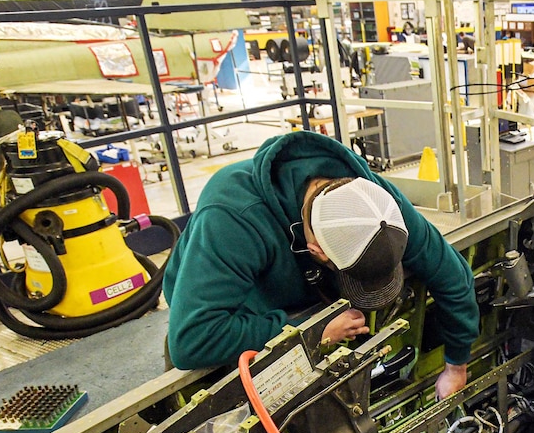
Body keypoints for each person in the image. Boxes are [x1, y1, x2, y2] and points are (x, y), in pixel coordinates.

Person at [163, 131, 479, 399]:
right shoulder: (232, 218)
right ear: (316, 250)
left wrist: (457, 366)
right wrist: (309, 334)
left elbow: (453, 274)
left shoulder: (375, 201)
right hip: (239, 313)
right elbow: (192, 339)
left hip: (311, 297)